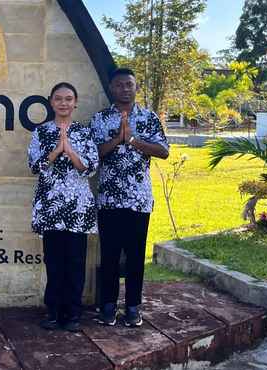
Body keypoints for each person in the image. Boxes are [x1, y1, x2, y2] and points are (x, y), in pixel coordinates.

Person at [90, 68, 169, 327]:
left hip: (138, 198)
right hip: (109, 199)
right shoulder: (100, 119)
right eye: (119, 85)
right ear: (111, 88)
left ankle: (134, 307)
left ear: (136, 88)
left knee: (136, 255)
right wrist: (118, 139)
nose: (125, 89)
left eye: (129, 84)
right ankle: (108, 306)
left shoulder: (148, 117)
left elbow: (163, 151)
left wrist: (133, 140)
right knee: (110, 254)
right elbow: (93, 155)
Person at [27, 82, 98, 332]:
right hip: (50, 208)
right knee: (54, 261)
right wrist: (57, 150)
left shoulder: (85, 132)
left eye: (69, 98)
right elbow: (35, 166)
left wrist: (71, 151)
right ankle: (53, 312)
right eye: (59, 99)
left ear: (75, 102)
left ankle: (73, 315)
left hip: (77, 208)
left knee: (76, 262)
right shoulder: (41, 132)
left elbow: (89, 168)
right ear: (51, 102)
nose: (64, 103)